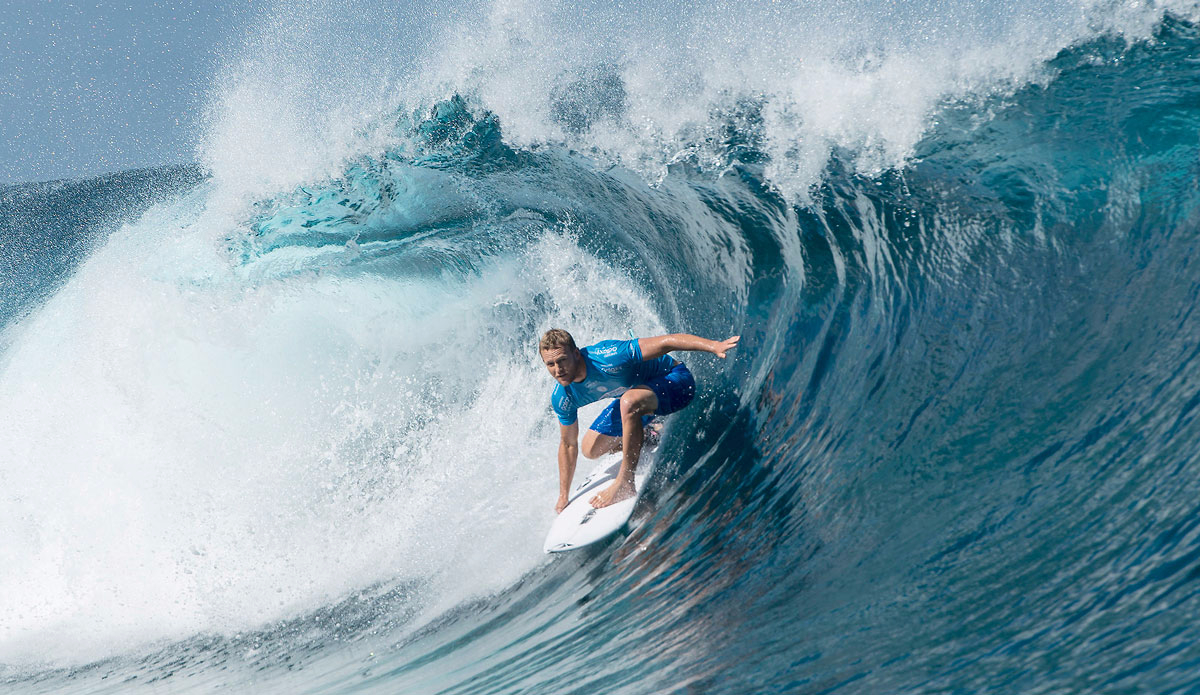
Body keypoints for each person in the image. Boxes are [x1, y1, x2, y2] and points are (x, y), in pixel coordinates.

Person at [539, 329, 739, 512]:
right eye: (550, 364)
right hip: (637, 398)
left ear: (576, 354)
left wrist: (714, 345)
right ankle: (648, 432)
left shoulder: (608, 356)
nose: (558, 370)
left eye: (562, 360)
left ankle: (625, 482)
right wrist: (563, 496)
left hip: (676, 383)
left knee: (628, 401)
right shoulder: (563, 396)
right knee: (590, 448)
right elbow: (567, 445)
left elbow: (666, 343)